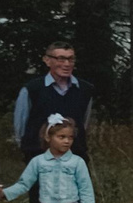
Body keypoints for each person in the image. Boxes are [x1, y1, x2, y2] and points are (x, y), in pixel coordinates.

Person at [15, 40, 93, 169]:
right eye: (61, 59)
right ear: (47, 60)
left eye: (71, 59)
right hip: (38, 158)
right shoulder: (32, 89)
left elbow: (84, 123)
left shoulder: (85, 90)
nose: (67, 64)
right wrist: (27, 149)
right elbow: (20, 127)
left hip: (74, 159)